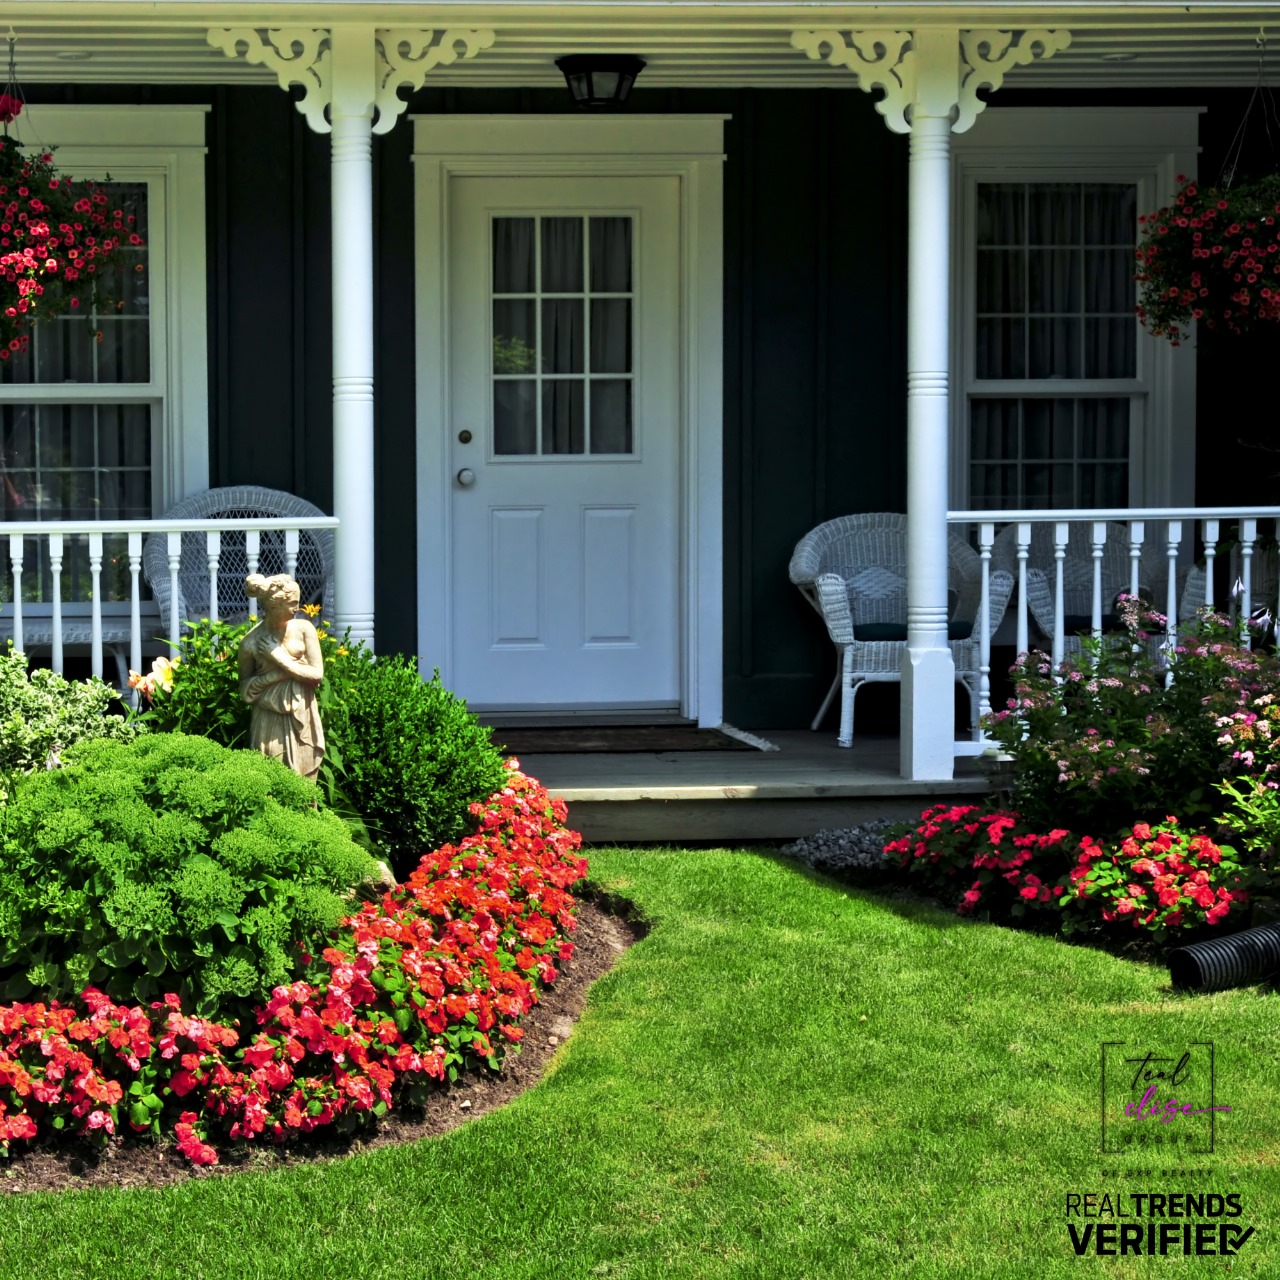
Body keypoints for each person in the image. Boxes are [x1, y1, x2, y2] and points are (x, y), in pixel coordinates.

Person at [237, 573, 325, 780]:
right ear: (273, 605)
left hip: (302, 712)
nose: (297, 608)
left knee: (305, 781)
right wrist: (280, 674)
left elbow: (317, 674)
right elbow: (245, 691)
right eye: (292, 603)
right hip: (268, 720)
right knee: (272, 779)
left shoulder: (304, 629)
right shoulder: (250, 643)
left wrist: (279, 657)